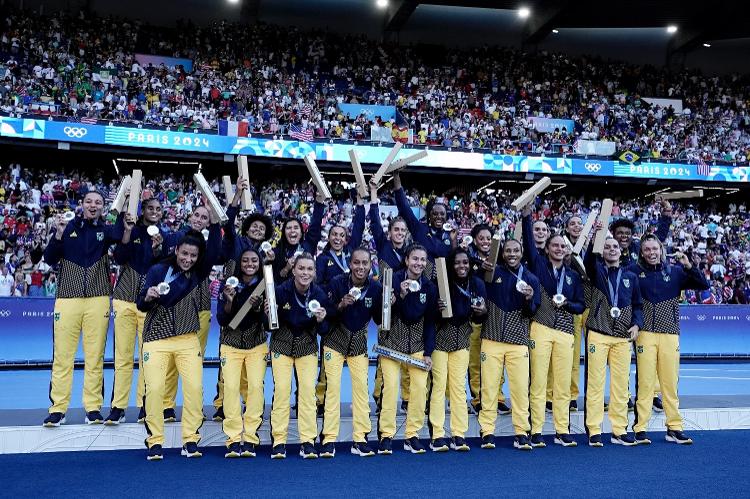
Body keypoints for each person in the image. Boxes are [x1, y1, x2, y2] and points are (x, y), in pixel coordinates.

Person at [137, 224, 221, 460]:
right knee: (154, 389)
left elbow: (214, 249)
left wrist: (214, 222)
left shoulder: (198, 272)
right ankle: (155, 441)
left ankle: (190, 440)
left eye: (193, 255)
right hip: (156, 339)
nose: (188, 259)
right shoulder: (157, 270)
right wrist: (148, 296)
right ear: (176, 251)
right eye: (184, 253)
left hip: (187, 339)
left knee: (194, 389)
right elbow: (140, 303)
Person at [41, 193, 125, 427]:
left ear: (102, 207)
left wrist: (123, 202)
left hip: (98, 299)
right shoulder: (67, 227)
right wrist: (57, 234)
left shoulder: (106, 231)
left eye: (98, 202)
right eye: (89, 201)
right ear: (82, 205)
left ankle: (93, 408)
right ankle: (58, 409)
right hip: (67, 298)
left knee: (95, 357)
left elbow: (119, 234)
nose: (93, 205)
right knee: (62, 357)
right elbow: (48, 259)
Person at [630, 235, 709, 445]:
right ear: (642, 252)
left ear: (661, 249)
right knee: (645, 383)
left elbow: (703, 284)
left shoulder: (675, 272)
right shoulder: (635, 272)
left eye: (654, 248)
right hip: (645, 333)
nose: (651, 252)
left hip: (670, 333)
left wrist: (689, 265)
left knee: (669, 384)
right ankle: (640, 428)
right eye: (647, 249)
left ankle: (674, 427)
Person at [522, 205, 585, 447]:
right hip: (541, 326)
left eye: (562, 246)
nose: (559, 248)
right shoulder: (538, 266)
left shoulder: (573, 276)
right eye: (555, 245)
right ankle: (536, 430)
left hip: (566, 332)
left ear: (567, 250)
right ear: (547, 249)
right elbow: (528, 243)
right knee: (537, 381)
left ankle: (562, 429)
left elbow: (580, 306)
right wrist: (527, 216)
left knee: (561, 383)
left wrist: (567, 303)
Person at [213, 178, 271, 421]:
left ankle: (250, 404)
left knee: (253, 356)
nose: (257, 230)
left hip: (255, 304)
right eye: (254, 226)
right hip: (233, 298)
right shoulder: (236, 242)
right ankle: (221, 403)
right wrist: (237, 195)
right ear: (246, 228)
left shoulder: (267, 252)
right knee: (228, 358)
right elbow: (227, 221)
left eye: (262, 228)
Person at [106, 198, 165, 425]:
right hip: (124, 300)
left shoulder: (165, 236)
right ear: (143, 211)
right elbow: (120, 257)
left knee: (147, 358)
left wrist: (158, 249)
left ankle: (144, 406)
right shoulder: (132, 228)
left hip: (149, 304)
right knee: (122, 357)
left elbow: (163, 267)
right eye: (150, 208)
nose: (154, 211)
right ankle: (118, 407)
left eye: (158, 209)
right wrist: (127, 232)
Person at [267, 252, 331, 459]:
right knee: (282, 392)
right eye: (301, 268)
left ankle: (308, 440)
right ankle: (278, 441)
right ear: (293, 270)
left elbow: (325, 331)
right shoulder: (280, 291)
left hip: (307, 348)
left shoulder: (320, 295)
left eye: (309, 269)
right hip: (282, 346)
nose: (305, 272)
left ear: (315, 272)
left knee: (307, 394)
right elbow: (269, 326)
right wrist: (267, 314)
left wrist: (322, 320)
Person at [320, 247, 382, 458]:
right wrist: (340, 305)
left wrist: (388, 306)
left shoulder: (375, 288)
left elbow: (380, 320)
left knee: (361, 391)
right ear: (350, 264)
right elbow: (324, 312)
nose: (361, 267)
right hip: (334, 342)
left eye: (365, 263)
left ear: (370, 264)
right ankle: (328, 439)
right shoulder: (337, 282)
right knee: (333, 391)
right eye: (357, 263)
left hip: (358, 344)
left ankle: (360, 439)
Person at [479, 239, 540, 451]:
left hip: (518, 342)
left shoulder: (532, 279)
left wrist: (529, 299)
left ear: (522, 252)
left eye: (516, 250)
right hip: (491, 338)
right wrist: (480, 266)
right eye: (508, 251)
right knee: (489, 388)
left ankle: (521, 432)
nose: (512, 254)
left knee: (520, 389)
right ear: (502, 253)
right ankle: (487, 431)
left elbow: (533, 312)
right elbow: (475, 282)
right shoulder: (492, 273)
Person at [377, 244, 437, 455]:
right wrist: (400, 296)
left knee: (420, 388)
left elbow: (430, 321)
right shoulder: (392, 280)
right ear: (406, 260)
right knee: (391, 388)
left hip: (417, 347)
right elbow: (382, 315)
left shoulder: (429, 287)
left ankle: (412, 435)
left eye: (422, 260)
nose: (419, 263)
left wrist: (428, 352)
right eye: (415, 259)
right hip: (391, 345)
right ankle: (386, 435)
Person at [583, 237, 643, 447]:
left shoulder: (630, 276)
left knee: (621, 387)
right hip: (598, 333)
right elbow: (589, 259)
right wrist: (595, 240)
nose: (611, 250)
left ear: (621, 251)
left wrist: (637, 324)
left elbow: (638, 305)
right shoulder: (597, 271)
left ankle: (619, 430)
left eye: (615, 247)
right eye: (607, 247)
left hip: (622, 337)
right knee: (596, 384)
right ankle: (594, 430)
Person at [428, 247, 487, 452]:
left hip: (462, 340)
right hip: (440, 341)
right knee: (438, 387)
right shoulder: (440, 284)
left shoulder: (477, 283)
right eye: (457, 263)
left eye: (465, 263)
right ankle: (437, 434)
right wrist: (437, 309)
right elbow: (430, 315)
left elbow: (481, 315)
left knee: (458, 389)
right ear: (450, 265)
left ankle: (458, 434)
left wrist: (482, 312)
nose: (462, 266)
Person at [314, 194, 365, 415]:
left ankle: (359, 403)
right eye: (334, 234)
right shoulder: (322, 259)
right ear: (329, 236)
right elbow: (320, 286)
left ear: (346, 239)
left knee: (355, 362)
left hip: (353, 313)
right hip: (334, 312)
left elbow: (360, 228)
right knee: (327, 361)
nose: (337, 238)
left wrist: (361, 205)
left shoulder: (351, 257)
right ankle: (320, 400)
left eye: (341, 235)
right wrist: (335, 299)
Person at [215, 248, 267, 458]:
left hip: (257, 344)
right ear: (239, 263)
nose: (249, 264)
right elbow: (222, 320)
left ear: (259, 263)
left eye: (254, 260)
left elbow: (269, 322)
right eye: (245, 260)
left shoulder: (266, 285)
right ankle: (234, 438)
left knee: (255, 388)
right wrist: (229, 301)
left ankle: (251, 438)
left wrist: (260, 309)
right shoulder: (229, 284)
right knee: (231, 389)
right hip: (231, 344)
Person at [369, 181, 411, 413]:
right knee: (385, 351)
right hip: (387, 305)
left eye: (403, 231)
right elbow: (374, 220)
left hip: (406, 304)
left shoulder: (410, 253)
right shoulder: (383, 247)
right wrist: (374, 193)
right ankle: (380, 396)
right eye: (396, 230)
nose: (400, 233)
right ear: (389, 232)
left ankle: (406, 397)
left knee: (406, 350)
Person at [465, 224, 510, 415]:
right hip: (475, 314)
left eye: (488, 238)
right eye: (481, 238)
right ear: (474, 240)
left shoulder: (501, 259)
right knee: (475, 359)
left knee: (497, 359)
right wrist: (476, 268)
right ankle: (478, 398)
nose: (484, 241)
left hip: (496, 316)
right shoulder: (468, 261)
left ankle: (498, 396)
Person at [392, 173, 456, 280]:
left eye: (442, 214)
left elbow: (455, 259)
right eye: (435, 214)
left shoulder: (450, 234)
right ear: (429, 216)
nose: (438, 217)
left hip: (444, 284)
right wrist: (396, 176)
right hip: (420, 282)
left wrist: (454, 241)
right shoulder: (420, 229)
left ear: (446, 216)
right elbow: (404, 208)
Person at [272, 194, 325, 282]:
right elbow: (275, 279)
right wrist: (287, 268)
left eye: (296, 228)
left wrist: (319, 202)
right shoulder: (278, 251)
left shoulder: (308, 245)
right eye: (288, 228)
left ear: (301, 233)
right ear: (284, 233)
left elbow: (315, 224)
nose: (292, 230)